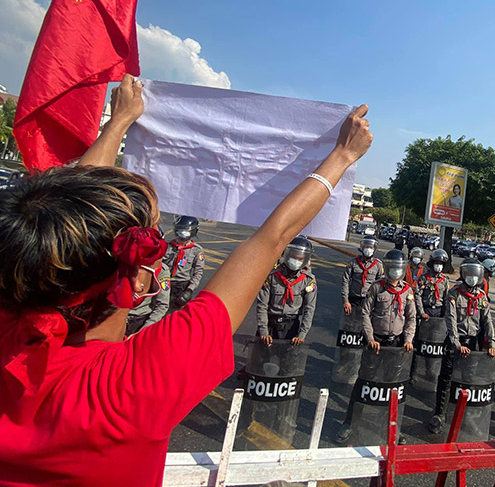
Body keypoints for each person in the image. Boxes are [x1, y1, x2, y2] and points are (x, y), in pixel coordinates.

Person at [0, 74, 373, 486]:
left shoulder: (11, 323)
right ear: (137, 282)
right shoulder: (130, 385)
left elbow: (65, 217)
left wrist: (119, 120)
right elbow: (273, 237)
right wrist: (341, 155)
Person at [336, 249, 416, 444]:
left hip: (396, 344)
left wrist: (408, 339)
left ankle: (391, 427)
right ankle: (350, 423)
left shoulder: (407, 291)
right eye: (392, 268)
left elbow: (411, 318)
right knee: (364, 382)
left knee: (392, 386)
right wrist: (370, 338)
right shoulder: (377, 288)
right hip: (375, 342)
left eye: (398, 268)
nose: (395, 272)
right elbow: (365, 313)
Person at [428, 258, 495, 434]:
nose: (473, 278)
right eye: (470, 275)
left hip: (472, 342)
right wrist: (457, 343)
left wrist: (492, 343)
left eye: (476, 275)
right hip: (455, 341)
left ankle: (465, 415)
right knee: (447, 378)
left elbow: (487, 321)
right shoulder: (454, 294)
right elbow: (450, 320)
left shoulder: (481, 297)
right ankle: (439, 415)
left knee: (469, 380)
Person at [255, 237, 317, 345]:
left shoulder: (308, 281)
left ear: (305, 260)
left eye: (300, 259)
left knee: (287, 360)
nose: (296, 261)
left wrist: (301, 335)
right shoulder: (273, 276)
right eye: (294, 257)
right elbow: (262, 305)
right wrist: (263, 331)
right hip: (270, 325)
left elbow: (309, 309)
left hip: (291, 328)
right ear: (287, 255)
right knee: (260, 359)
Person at [162, 215, 205, 311]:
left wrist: (190, 290)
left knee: (177, 315)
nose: (181, 236)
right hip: (165, 283)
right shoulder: (167, 247)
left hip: (182, 287)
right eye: (179, 231)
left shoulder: (196, 250)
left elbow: (198, 272)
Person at [341, 236, 384, 318]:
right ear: (362, 247)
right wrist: (346, 301)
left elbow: (380, 285)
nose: (368, 249)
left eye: (370, 247)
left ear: (374, 249)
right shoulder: (353, 263)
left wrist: (378, 303)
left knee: (365, 326)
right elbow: (345, 281)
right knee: (348, 326)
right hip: (353, 299)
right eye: (366, 247)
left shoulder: (378, 265)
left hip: (369, 300)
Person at [415, 249, 450, 319]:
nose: (439, 266)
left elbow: (446, 298)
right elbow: (418, 295)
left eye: (441, 264)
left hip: (439, 311)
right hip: (426, 310)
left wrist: (445, 313)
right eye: (437, 263)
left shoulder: (444, 280)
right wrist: (422, 312)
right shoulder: (424, 278)